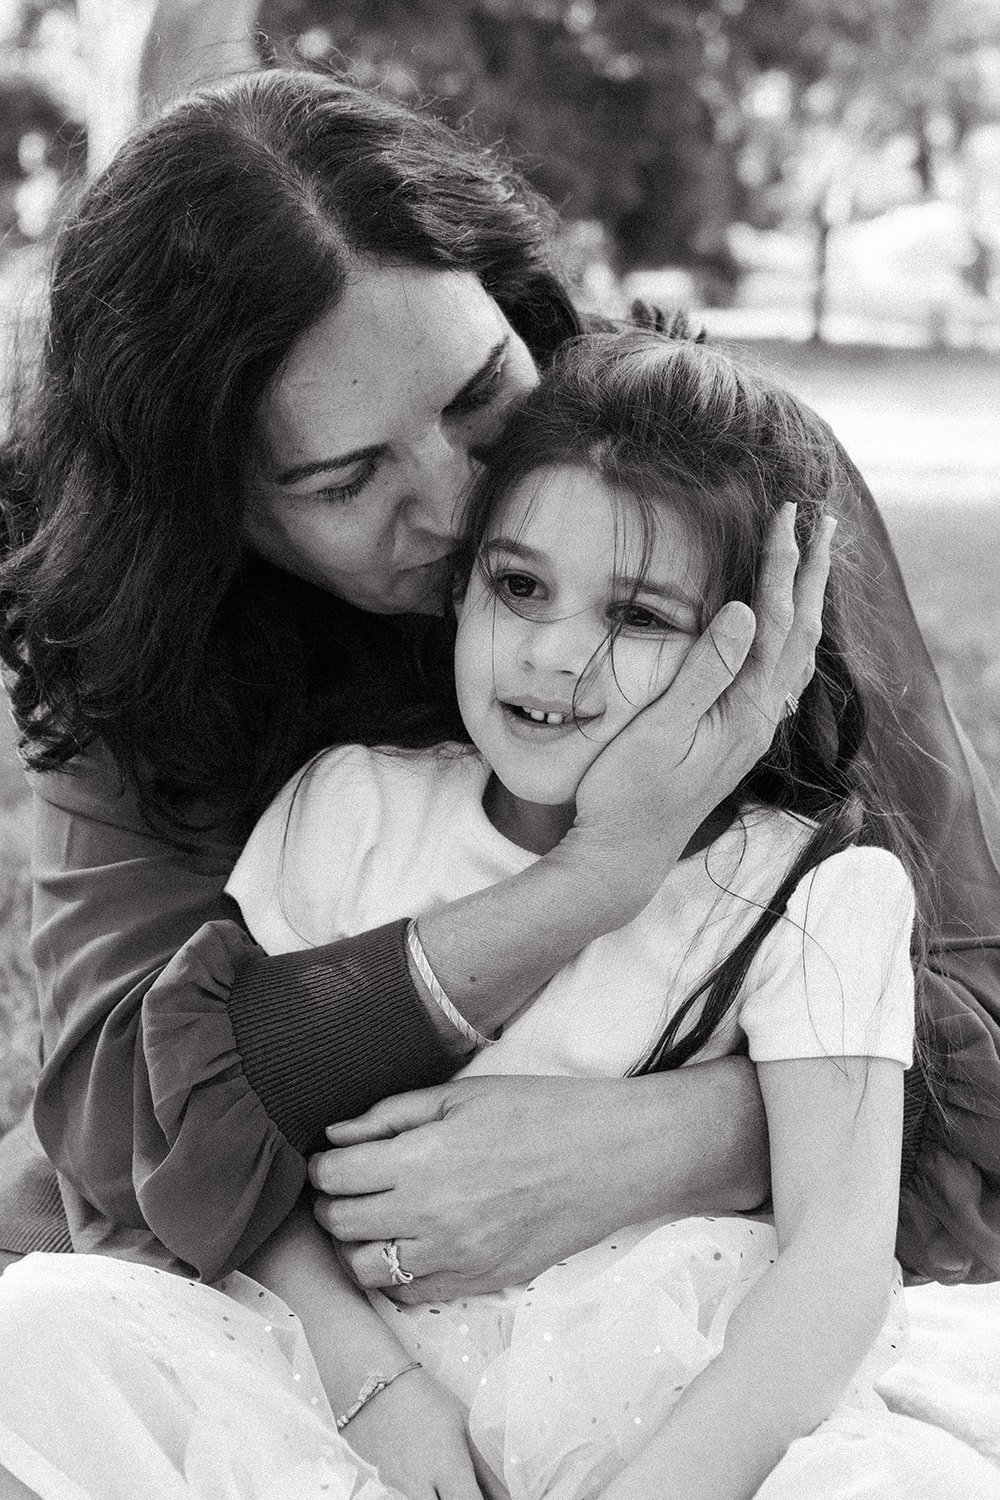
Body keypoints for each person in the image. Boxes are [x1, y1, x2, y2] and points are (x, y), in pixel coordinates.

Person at [0, 66, 996, 1306]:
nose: (467, 507)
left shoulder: (724, 493)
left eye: (482, 397)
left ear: (517, 306)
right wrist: (587, 888)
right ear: (213, 518)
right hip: (294, 1299)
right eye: (348, 480)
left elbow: (973, 995)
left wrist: (689, 1138)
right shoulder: (143, 640)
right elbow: (121, 1122)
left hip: (704, 1286)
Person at [2, 331, 998, 1500]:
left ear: (754, 647)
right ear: (461, 588)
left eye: (637, 617)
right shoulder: (349, 809)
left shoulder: (813, 895)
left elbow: (837, 1262)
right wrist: (382, 1397)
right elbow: (236, 1152)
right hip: (358, 1393)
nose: (555, 655)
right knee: (37, 1336)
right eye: (521, 586)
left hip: (687, 1409)